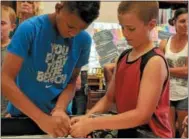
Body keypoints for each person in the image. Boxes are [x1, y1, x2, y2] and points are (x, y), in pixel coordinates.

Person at [70, 1, 172, 138]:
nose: (125, 34)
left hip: (151, 133)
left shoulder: (154, 61)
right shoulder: (123, 56)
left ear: (151, 25)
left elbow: (141, 115)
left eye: (131, 29)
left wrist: (93, 123)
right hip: (128, 129)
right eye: (122, 27)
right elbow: (108, 99)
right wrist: (86, 118)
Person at [1, 1, 100, 138]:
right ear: (58, 8)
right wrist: (41, 119)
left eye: (80, 29)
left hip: (60, 118)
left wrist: (59, 109)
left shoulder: (84, 40)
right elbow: (5, 80)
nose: (73, 33)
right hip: (24, 116)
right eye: (70, 26)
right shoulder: (30, 29)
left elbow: (71, 81)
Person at [159, 8, 188, 137]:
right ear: (174, 22)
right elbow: (157, 66)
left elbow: (187, 71)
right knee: (168, 132)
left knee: (184, 132)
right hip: (167, 93)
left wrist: (166, 70)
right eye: (182, 21)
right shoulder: (165, 42)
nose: (186, 25)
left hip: (185, 94)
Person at [1, 5, 16, 116]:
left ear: (12, 27)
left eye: (2, 23)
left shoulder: (16, 50)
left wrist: (13, 110)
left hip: (8, 112)